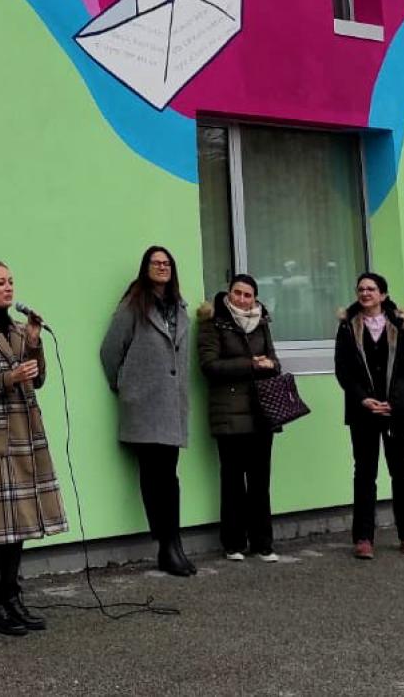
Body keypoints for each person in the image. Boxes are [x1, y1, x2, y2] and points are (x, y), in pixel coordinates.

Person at [0, 260, 68, 636]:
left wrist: (35, 342)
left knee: (19, 520)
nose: (8, 288)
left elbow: (38, 380)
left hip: (25, 437)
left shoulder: (20, 331)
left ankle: (12, 596)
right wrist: (9, 377)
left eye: (10, 282)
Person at [99, 246, 194, 577]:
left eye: (167, 263)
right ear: (146, 268)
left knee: (170, 477)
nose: (162, 267)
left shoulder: (180, 307)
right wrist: (124, 384)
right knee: (154, 476)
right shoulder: (134, 305)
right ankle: (166, 546)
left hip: (171, 405)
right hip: (144, 405)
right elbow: (110, 350)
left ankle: (174, 543)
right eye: (156, 263)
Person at [333, 271, 404, 560]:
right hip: (364, 412)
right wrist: (363, 399)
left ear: (382, 295)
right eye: (361, 289)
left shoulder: (401, 324)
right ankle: (363, 538)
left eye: (371, 289)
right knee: (364, 473)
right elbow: (343, 370)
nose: (365, 293)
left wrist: (392, 402)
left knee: (401, 472)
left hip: (398, 412)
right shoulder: (347, 326)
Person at [197, 274, 282, 563]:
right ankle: (233, 543)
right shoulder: (213, 322)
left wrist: (270, 364)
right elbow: (209, 366)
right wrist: (250, 364)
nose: (242, 299)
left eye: (248, 295)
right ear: (228, 293)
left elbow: (274, 360)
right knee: (232, 480)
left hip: (261, 412)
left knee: (260, 481)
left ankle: (263, 543)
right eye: (238, 293)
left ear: (255, 298)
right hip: (229, 412)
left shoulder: (262, 322)